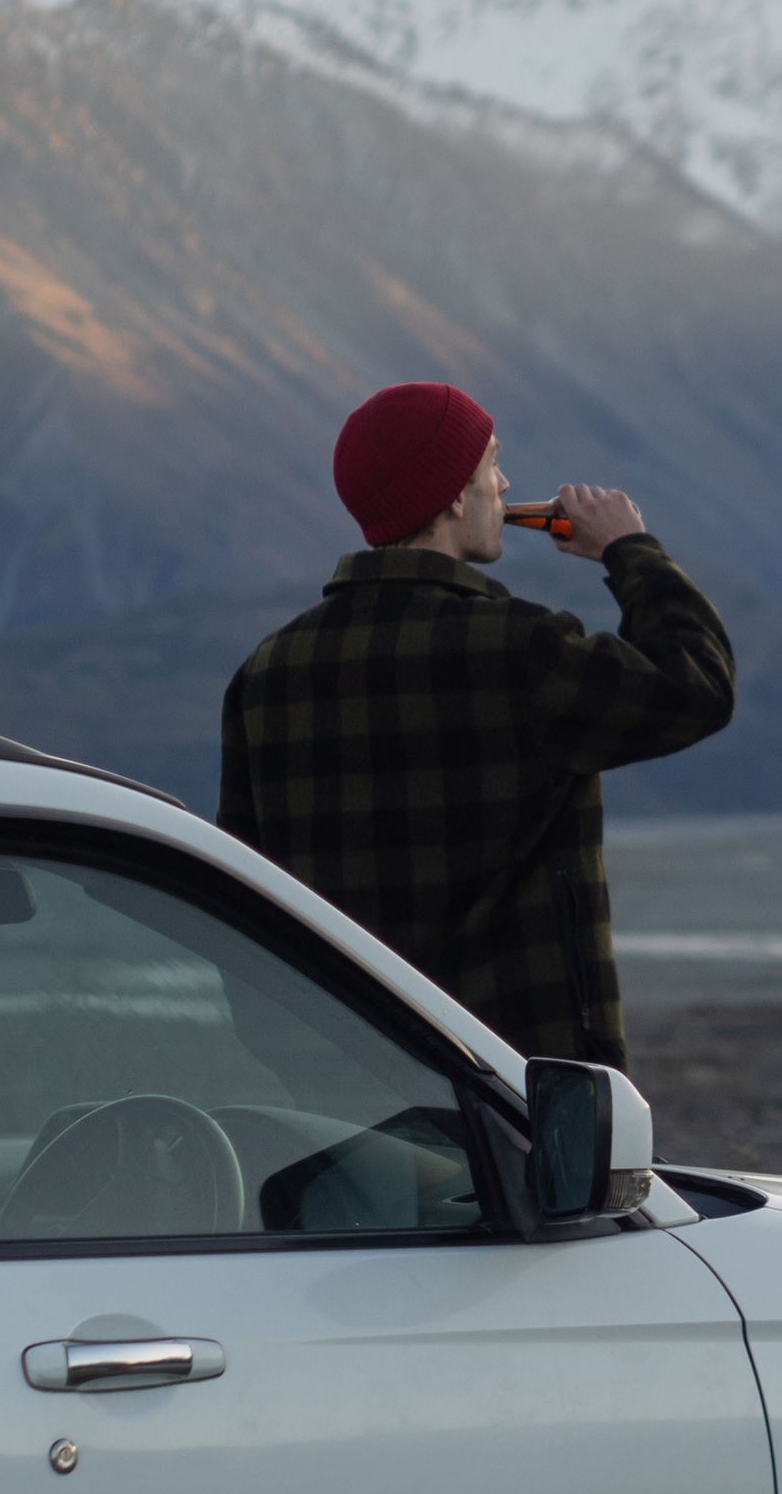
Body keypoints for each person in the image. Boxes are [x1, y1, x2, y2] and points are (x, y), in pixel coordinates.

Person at [218, 381, 733, 1068]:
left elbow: (242, 907)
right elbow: (697, 684)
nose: (505, 484)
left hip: (341, 1080)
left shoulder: (264, 675)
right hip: (517, 1081)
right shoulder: (519, 650)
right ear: (455, 497)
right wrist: (630, 550)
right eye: (491, 462)